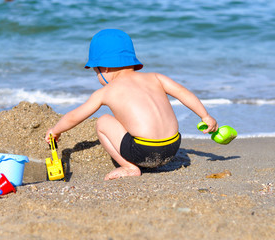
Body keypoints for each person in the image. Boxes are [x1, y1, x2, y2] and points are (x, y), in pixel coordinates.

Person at [45, 29, 218, 180]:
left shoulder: (106, 91)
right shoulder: (156, 78)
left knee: (103, 121)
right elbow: (183, 92)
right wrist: (205, 116)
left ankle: (129, 167)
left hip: (143, 152)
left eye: (95, 71)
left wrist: (56, 130)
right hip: (171, 149)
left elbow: (75, 116)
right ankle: (150, 159)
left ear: (103, 68)